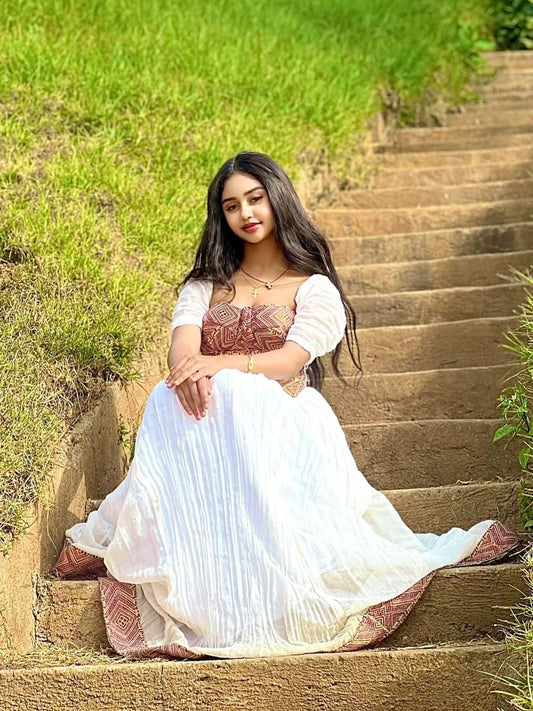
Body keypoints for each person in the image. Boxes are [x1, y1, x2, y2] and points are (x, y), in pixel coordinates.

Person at [53, 152, 519, 660]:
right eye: (231, 206)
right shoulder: (205, 285)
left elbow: (288, 360)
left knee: (240, 390)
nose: (246, 213)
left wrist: (219, 368)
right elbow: (182, 352)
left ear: (278, 198)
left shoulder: (313, 288)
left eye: (256, 199)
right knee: (170, 393)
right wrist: (196, 369)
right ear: (221, 217)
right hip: (210, 428)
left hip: (282, 421)